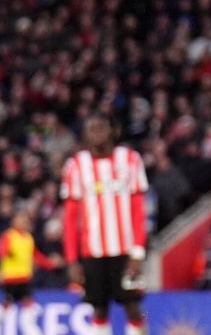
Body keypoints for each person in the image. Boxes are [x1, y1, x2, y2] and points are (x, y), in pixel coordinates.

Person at [61, 114, 148, 335]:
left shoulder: (130, 159)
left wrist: (138, 252)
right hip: (92, 252)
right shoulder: (76, 165)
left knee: (133, 307)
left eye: (100, 127)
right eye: (91, 129)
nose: (96, 133)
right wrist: (72, 260)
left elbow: (139, 211)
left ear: (112, 131)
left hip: (126, 251)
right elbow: (70, 218)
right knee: (98, 309)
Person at [0, 211, 59, 335]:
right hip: (11, 278)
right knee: (6, 305)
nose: (23, 222)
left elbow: (36, 255)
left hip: (25, 278)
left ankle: (31, 330)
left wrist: (50, 264)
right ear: (14, 221)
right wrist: (7, 252)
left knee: (28, 306)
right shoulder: (9, 236)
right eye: (20, 219)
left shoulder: (28, 238)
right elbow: (2, 252)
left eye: (25, 220)